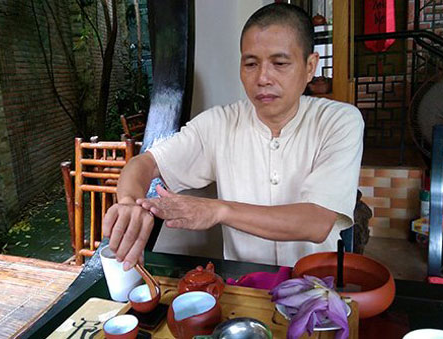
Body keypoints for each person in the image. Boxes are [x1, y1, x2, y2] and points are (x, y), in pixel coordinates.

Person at [102, 3, 363, 270]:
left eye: (280, 63)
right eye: (251, 63)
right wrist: (128, 203)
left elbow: (317, 222)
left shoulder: (339, 121)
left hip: (316, 286)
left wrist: (218, 210)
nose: (263, 78)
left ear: (310, 67)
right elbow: (145, 164)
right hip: (244, 287)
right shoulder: (220, 123)